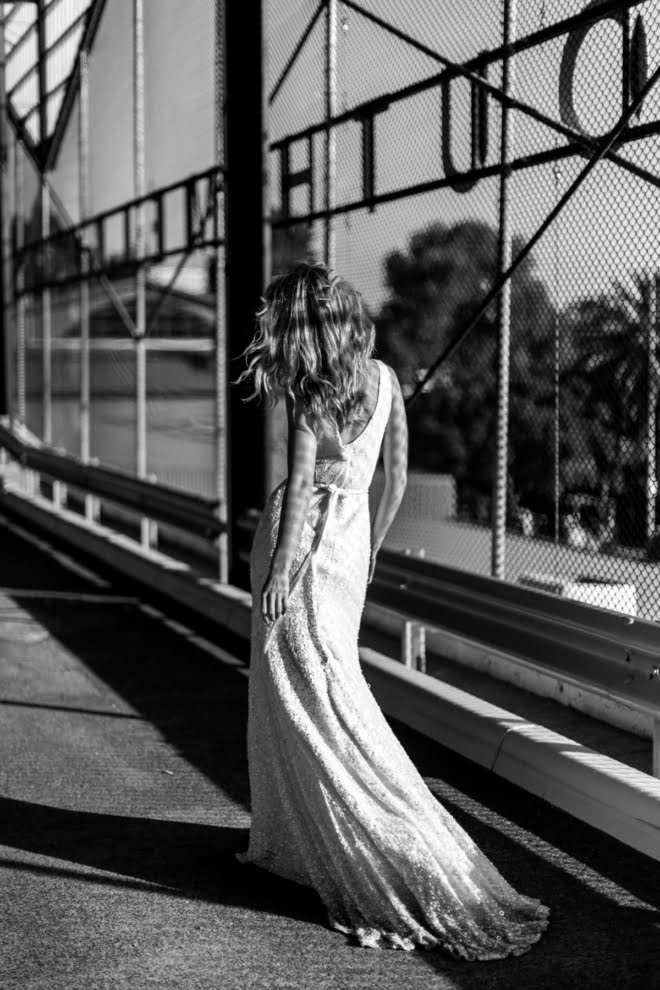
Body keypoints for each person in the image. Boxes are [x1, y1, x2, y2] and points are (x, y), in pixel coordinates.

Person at [233, 262, 550, 958]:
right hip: (350, 550)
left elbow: (300, 493)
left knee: (301, 696)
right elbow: (396, 479)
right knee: (335, 688)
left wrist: (281, 573)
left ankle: (340, 839)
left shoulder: (309, 392)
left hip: (302, 550)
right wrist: (371, 548)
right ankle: (322, 840)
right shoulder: (385, 381)